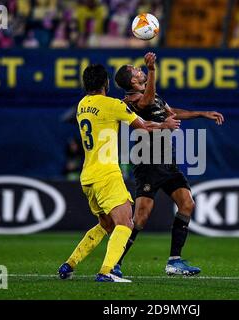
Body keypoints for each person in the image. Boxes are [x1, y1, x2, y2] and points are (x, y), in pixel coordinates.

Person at [57, 63, 180, 282]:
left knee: (106, 225)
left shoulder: (82, 105)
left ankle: (69, 265)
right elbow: (144, 126)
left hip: (87, 177)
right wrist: (165, 125)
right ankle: (107, 271)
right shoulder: (112, 104)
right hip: (107, 174)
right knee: (126, 223)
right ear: (105, 83)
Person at [113, 52, 224, 277]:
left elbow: (172, 113)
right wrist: (153, 70)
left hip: (167, 161)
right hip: (148, 162)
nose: (139, 69)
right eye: (135, 70)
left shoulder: (154, 96)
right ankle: (115, 262)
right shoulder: (131, 102)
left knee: (187, 203)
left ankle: (174, 261)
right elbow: (146, 103)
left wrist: (201, 113)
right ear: (133, 81)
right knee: (141, 218)